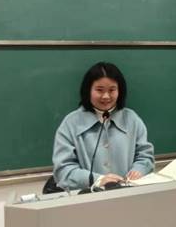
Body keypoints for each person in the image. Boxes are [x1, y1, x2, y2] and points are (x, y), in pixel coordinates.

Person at [52, 62, 154, 191]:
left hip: (129, 194)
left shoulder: (132, 119)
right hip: (87, 198)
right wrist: (97, 180)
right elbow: (63, 170)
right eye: (99, 90)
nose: (106, 96)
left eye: (112, 90)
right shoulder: (71, 123)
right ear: (88, 90)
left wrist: (139, 170)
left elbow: (145, 156)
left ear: (120, 91)